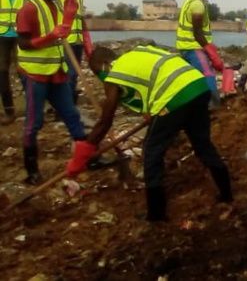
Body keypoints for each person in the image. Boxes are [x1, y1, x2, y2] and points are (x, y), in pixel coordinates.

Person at [67, 45, 233, 221]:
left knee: (152, 152)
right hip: (198, 87)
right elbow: (152, 83)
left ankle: (156, 214)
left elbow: (105, 120)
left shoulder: (114, 72)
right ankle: (227, 193)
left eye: (97, 73)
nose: (101, 78)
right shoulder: (138, 54)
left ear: (104, 65)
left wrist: (85, 150)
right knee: (202, 144)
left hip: (175, 97)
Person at [15, 0, 87, 185]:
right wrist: (50, 36)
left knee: (72, 115)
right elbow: (24, 44)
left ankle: (87, 157)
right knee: (34, 123)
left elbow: (64, 32)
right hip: (35, 74)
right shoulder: (29, 9)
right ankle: (32, 170)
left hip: (57, 72)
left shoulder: (57, 4)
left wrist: (68, 18)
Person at [1, 0, 41, 124]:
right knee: (1, 73)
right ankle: (9, 111)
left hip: (23, 35)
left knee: (26, 72)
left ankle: (34, 110)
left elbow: (40, 8)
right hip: (1, 35)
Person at [176, 0, 223, 107]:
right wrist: (212, 54)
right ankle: (213, 108)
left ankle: (190, 107)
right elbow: (197, 33)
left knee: (192, 78)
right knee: (208, 75)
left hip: (187, 47)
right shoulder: (197, 4)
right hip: (193, 47)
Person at [58, 0, 94, 104]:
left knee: (74, 75)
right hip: (63, 42)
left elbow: (81, 18)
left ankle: (69, 104)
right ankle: (65, 106)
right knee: (69, 74)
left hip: (77, 41)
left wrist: (87, 41)